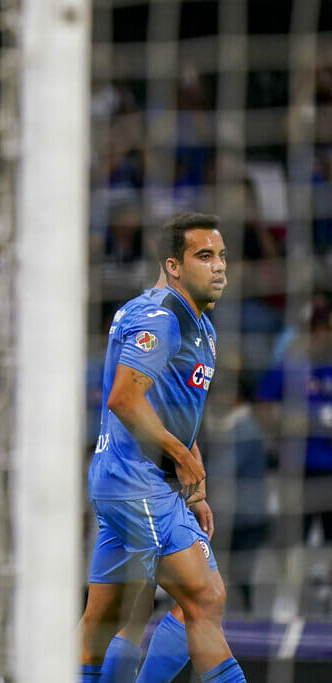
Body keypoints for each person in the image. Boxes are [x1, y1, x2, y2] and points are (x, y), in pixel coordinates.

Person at [79, 213, 246, 682]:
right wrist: (184, 457)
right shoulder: (160, 316)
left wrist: (193, 483)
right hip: (135, 480)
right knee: (205, 597)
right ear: (173, 265)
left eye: (222, 256)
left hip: (140, 482)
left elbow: (174, 410)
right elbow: (124, 398)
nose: (219, 267)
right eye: (205, 256)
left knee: (108, 618)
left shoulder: (201, 326)